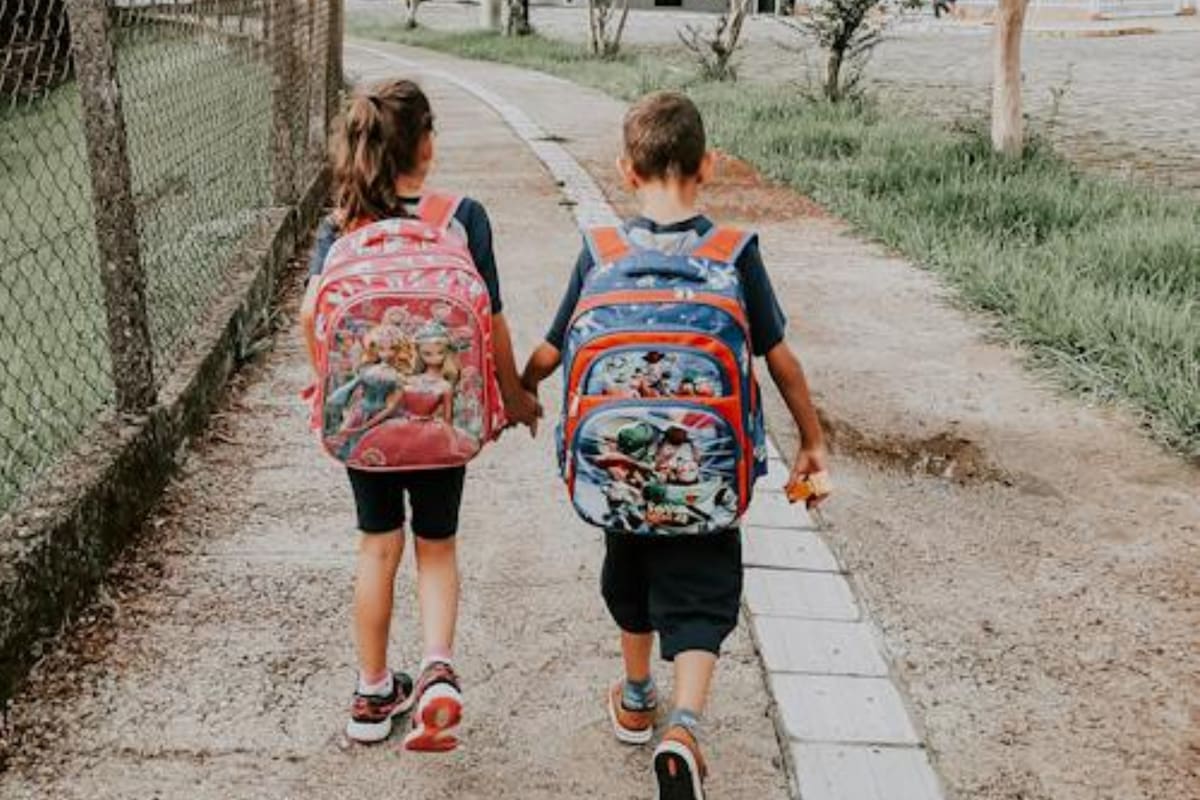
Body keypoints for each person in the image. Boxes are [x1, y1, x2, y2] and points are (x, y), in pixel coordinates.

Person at [522, 91, 829, 799]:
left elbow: (551, 348)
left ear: (627, 172)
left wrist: (520, 390)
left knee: (628, 575)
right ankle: (685, 723)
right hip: (705, 476)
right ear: (708, 165)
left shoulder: (600, 252)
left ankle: (636, 697)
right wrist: (811, 442)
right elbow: (780, 361)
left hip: (621, 477)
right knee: (700, 592)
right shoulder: (733, 255)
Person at [300, 79, 539, 751]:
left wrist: (328, 385)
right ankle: (437, 669)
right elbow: (488, 324)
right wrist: (515, 396)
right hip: (441, 423)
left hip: (368, 429)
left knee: (377, 546)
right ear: (426, 144)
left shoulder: (341, 224)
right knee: (437, 546)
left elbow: (310, 316)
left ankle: (373, 692)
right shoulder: (463, 216)